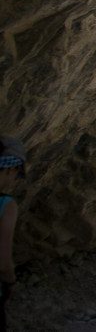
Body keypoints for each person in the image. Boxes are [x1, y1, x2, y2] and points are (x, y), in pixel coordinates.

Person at [0, 139, 25, 332]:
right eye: (17, 173)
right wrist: (10, 280)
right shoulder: (6, 205)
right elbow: (3, 261)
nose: (15, 180)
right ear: (10, 169)